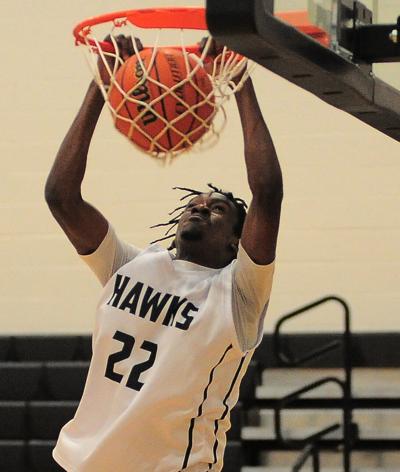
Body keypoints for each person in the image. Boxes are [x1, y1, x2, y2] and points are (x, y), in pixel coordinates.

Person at [45, 36, 283, 472]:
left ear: (236, 241)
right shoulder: (130, 265)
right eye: (194, 204)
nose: (199, 207)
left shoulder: (239, 293)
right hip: (81, 463)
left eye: (217, 209)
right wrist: (102, 86)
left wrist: (239, 77)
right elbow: (61, 196)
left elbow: (267, 193)